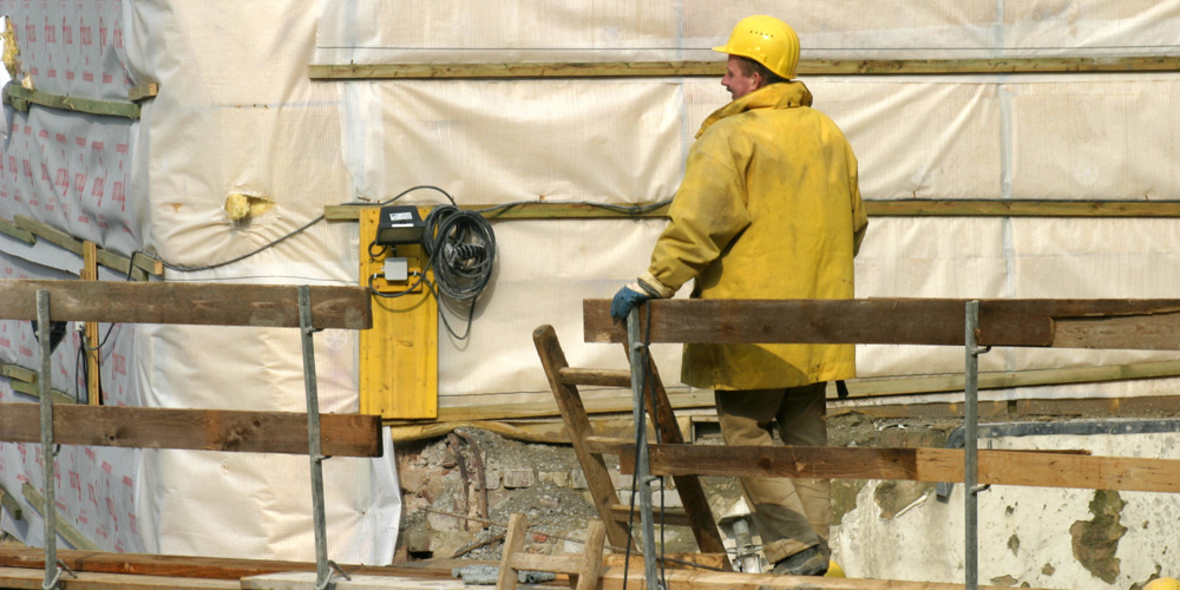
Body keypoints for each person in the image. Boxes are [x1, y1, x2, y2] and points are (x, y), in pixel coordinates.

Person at [610, 15, 868, 577]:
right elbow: (855, 224)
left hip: (751, 329)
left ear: (753, 76)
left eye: (729, 71)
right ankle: (816, 551)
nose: (723, 82)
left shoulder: (731, 137)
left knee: (744, 430)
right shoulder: (829, 134)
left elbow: (698, 224)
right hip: (819, 322)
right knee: (807, 438)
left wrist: (653, 283)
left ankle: (794, 547)